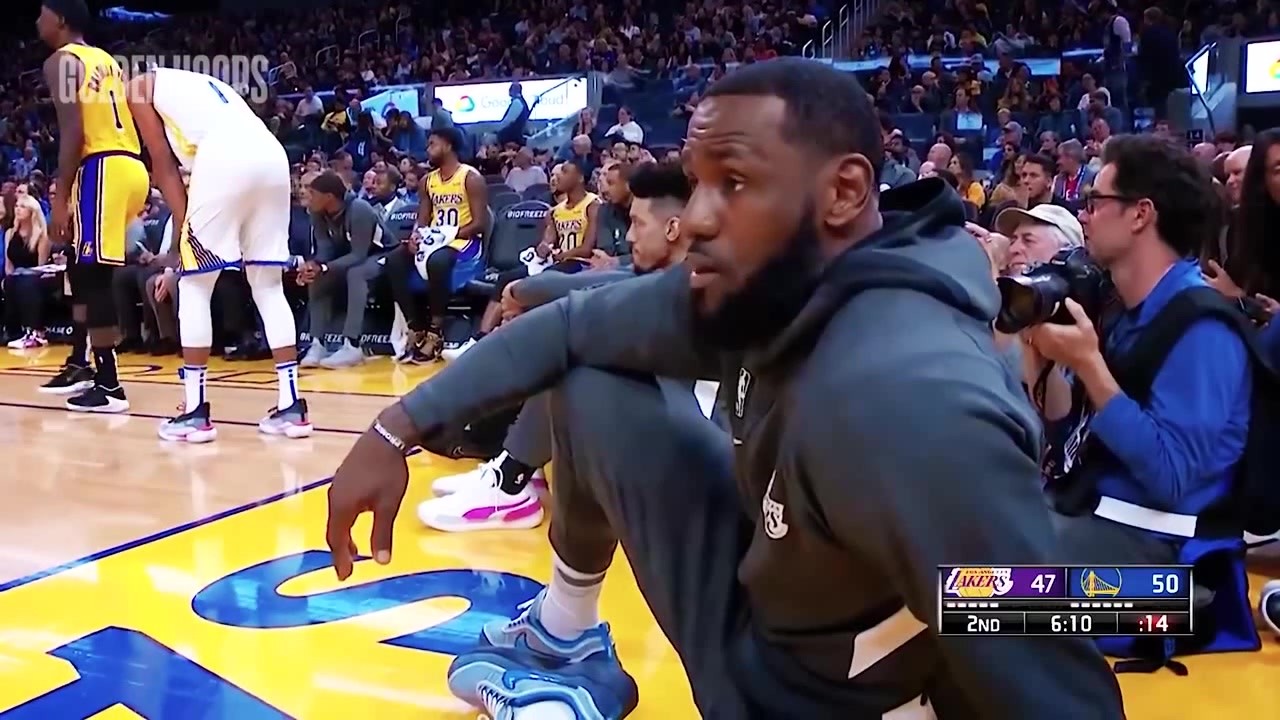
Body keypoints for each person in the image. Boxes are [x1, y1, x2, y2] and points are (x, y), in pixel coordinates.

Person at [325, 59, 1124, 719]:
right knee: (593, 381)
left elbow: (1041, 650)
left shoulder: (907, 401)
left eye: (733, 183)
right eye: (698, 183)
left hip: (806, 696)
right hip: (775, 597)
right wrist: (395, 428)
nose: (698, 219)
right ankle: (564, 638)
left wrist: (1155, 604)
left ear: (845, 192)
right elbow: (573, 328)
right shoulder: (782, 275)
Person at [418, 161, 690, 532]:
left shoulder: (688, 283)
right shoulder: (660, 270)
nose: (629, 236)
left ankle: (511, 482)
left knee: (574, 353)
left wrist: (522, 292)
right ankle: (518, 469)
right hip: (658, 424)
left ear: (672, 228)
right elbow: (609, 278)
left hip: (689, 445)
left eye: (639, 225)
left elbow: (603, 288)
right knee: (567, 335)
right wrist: (523, 292)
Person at [1026, 135, 1247, 566]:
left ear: (1141, 214)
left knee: (968, 593)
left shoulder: (1204, 327)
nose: (1084, 215)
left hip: (1164, 558)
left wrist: (1088, 364)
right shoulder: (1121, 309)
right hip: (1089, 514)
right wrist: (1044, 359)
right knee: (958, 537)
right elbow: (1069, 430)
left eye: (1095, 202)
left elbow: (1170, 478)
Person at [124, 67, 311, 442]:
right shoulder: (199, 83)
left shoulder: (135, 88)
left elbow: (163, 163)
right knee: (268, 285)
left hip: (224, 156)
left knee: (194, 283)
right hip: (271, 155)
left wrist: (184, 227)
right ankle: (291, 407)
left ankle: (194, 412)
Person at [37, 0, 151, 411]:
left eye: (42, 14)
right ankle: (79, 362)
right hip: (131, 166)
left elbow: (73, 132)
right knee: (80, 266)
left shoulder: (61, 61)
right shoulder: (105, 60)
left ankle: (109, 385)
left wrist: (59, 197)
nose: (37, 21)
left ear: (60, 20)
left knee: (93, 275)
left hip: (101, 167)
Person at [449, 158, 601, 360]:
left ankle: (516, 345)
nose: (557, 176)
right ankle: (479, 341)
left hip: (580, 265)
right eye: (556, 172)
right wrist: (543, 249)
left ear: (580, 177)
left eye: (564, 171)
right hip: (557, 264)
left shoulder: (593, 205)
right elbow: (547, 242)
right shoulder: (554, 212)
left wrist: (559, 255)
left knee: (540, 282)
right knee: (505, 279)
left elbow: (587, 248)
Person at [385, 126, 488, 363]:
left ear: (448, 146)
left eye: (433, 144)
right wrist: (416, 236)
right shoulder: (427, 181)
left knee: (438, 260)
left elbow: (480, 223)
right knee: (395, 259)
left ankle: (436, 330)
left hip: (464, 241)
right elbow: (422, 219)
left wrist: (448, 235)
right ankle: (415, 326)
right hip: (435, 239)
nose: (427, 149)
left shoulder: (470, 178)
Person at [4, 195, 53, 349]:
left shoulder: (42, 236)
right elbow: (8, 265)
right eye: (17, 206)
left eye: (23, 207)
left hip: (35, 277)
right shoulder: (10, 233)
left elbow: (40, 267)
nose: (18, 209)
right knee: (10, 282)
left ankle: (34, 332)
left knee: (25, 283)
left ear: (32, 211)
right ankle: (13, 332)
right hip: (15, 276)